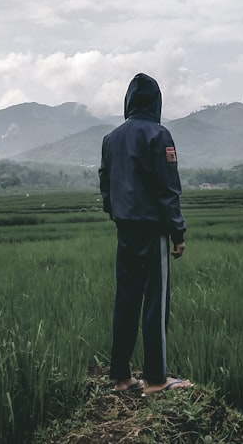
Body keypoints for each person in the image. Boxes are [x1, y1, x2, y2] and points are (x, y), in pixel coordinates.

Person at [99, 73, 192, 396]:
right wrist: (177, 231)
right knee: (156, 302)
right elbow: (168, 189)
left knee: (125, 301)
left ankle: (122, 377)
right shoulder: (159, 134)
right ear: (156, 102)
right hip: (153, 233)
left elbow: (105, 185)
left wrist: (117, 215)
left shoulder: (110, 139)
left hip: (125, 231)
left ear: (128, 102)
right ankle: (155, 379)